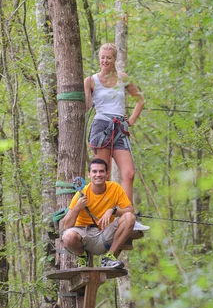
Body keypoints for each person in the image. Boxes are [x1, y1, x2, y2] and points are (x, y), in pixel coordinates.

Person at [84, 42, 149, 232]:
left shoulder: (123, 78)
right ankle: (101, 217)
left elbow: (140, 99)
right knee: (101, 175)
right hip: (101, 126)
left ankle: (127, 215)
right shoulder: (91, 80)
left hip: (120, 127)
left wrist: (133, 120)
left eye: (108, 58)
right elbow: (87, 108)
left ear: (115, 60)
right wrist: (86, 92)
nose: (105, 61)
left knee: (128, 173)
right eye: (102, 57)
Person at [62, 158, 136, 268]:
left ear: (107, 174)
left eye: (101, 171)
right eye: (94, 171)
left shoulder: (115, 188)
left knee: (129, 217)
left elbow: (130, 210)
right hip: (83, 234)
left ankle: (109, 257)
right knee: (68, 236)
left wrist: (113, 210)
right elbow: (66, 225)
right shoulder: (82, 193)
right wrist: (77, 207)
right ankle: (82, 256)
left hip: (104, 233)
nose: (98, 175)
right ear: (89, 175)